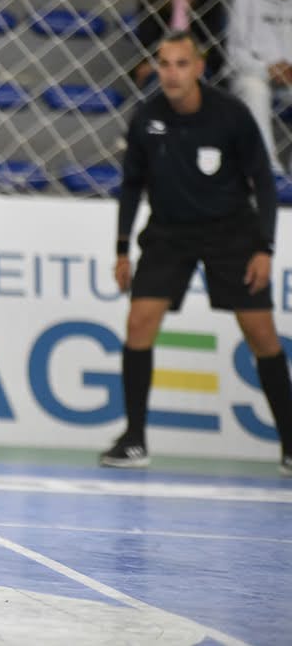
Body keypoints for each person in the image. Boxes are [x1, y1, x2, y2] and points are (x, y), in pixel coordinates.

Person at [102, 31, 292, 475]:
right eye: (164, 64)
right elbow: (131, 186)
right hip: (169, 234)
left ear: (199, 68)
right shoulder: (146, 118)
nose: (171, 73)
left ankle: (290, 444)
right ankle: (134, 440)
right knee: (139, 322)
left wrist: (264, 247)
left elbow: (263, 183)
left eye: (181, 64)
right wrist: (121, 247)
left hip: (231, 233)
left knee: (261, 335)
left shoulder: (231, 115)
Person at [227, 0, 292, 172]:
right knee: (256, 90)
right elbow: (234, 55)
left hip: (290, 77)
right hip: (251, 74)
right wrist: (267, 69)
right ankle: (266, 166)